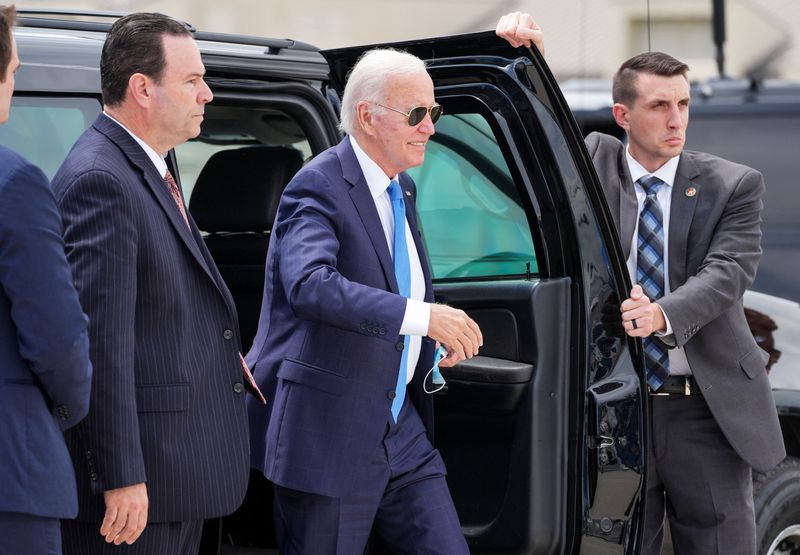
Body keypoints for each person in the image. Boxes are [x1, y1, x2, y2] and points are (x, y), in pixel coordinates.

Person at [497, 12, 785, 554]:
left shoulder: (734, 184)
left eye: (683, 104)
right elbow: (542, 135)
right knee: (615, 546)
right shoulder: (596, 163)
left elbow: (729, 272)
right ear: (622, 116)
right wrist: (528, 55)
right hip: (615, 408)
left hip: (704, 406)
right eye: (659, 106)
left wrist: (661, 314)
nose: (676, 119)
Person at [245, 48, 483, 554]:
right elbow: (309, 284)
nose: (430, 128)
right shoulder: (319, 184)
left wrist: (428, 343)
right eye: (416, 114)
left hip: (401, 432)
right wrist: (420, 318)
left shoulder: (404, 188)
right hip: (329, 435)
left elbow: (394, 281)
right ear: (367, 117)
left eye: (434, 114)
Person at [52, 12, 259, 554]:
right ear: (141, 88)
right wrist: (120, 475)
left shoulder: (147, 166)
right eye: (192, 81)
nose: (207, 94)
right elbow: (99, 344)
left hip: (173, 479)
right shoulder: (103, 179)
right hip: (137, 491)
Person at [0, 5, 93, 554]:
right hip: (10, 474)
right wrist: (62, 411)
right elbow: (58, 337)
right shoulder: (14, 182)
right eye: (14, 70)